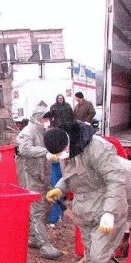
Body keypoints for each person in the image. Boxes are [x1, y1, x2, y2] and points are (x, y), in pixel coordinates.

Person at [44, 123, 130, 263]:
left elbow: (116, 180)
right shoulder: (68, 152)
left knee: (100, 258)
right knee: (92, 261)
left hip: (107, 210)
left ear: (68, 142)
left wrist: (109, 212)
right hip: (85, 213)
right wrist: (60, 188)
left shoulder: (96, 148)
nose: (62, 157)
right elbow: (70, 178)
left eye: (62, 152)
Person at [16, 105, 67, 259]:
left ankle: (33, 237)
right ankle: (44, 245)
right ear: (38, 117)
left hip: (43, 175)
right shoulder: (28, 132)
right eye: (45, 117)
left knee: (46, 207)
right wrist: (45, 153)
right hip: (31, 176)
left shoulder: (43, 132)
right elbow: (24, 150)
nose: (47, 121)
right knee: (38, 210)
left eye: (48, 118)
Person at [47, 94, 74, 227]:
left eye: (61, 98)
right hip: (56, 164)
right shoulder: (53, 109)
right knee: (56, 188)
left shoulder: (67, 107)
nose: (60, 100)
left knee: (58, 187)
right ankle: (56, 216)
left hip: (61, 165)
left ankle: (57, 216)